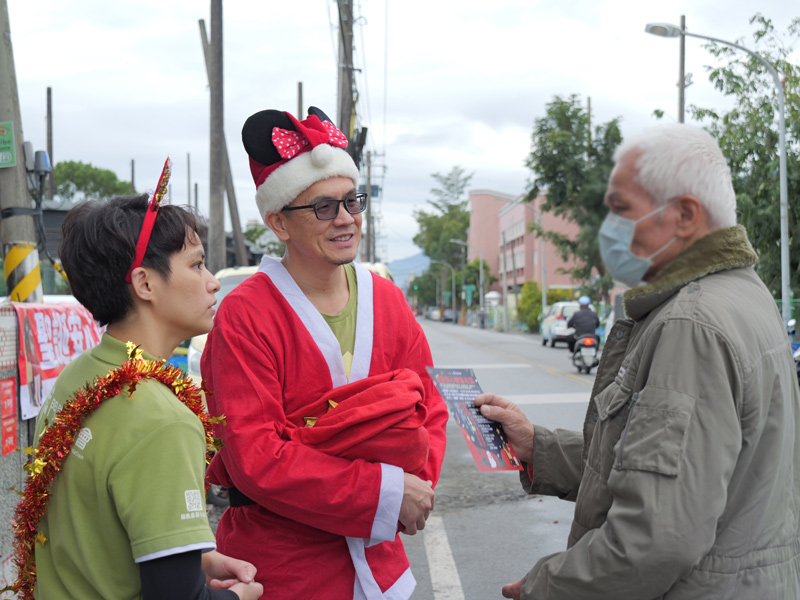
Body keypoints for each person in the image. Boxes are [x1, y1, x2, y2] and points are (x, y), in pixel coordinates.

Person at [476, 124, 800, 599]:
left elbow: (654, 540)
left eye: (623, 211)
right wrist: (539, 449)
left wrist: (544, 586)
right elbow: (657, 463)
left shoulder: (691, 325)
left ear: (686, 215)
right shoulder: (744, 295)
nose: (611, 231)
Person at [201, 107, 449, 599]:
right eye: (323, 208)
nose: (345, 219)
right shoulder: (245, 315)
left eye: (351, 202)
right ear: (278, 222)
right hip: (280, 572)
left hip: (381, 569)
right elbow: (256, 457)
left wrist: (414, 487)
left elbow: (430, 408)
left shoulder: (387, 299)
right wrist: (386, 492)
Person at [27, 172, 263, 599]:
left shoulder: (78, 375)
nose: (213, 281)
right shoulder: (161, 421)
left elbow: (94, 534)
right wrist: (239, 596)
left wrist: (196, 558)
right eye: (196, 264)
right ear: (145, 283)